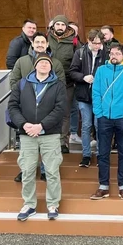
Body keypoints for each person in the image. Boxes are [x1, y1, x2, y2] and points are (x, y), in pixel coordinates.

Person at [7, 54, 66, 221]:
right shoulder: (22, 84)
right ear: (35, 66)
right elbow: (13, 106)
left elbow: (60, 108)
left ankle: (53, 203)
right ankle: (29, 204)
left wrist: (41, 126)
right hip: (27, 134)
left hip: (50, 134)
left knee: (52, 170)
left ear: (51, 66)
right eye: (41, 63)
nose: (44, 65)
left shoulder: (58, 85)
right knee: (27, 170)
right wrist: (23, 124)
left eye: (47, 63)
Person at [9, 33, 66, 183]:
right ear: (32, 44)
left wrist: (41, 125)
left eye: (43, 42)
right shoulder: (22, 61)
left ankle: (45, 170)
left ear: (47, 44)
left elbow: (60, 94)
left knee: (50, 159)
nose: (40, 44)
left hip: (48, 124)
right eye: (37, 42)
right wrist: (24, 123)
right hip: (27, 120)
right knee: (27, 161)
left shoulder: (56, 63)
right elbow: (14, 81)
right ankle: (26, 173)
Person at [90, 44, 123, 200]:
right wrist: (99, 112)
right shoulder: (101, 70)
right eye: (112, 53)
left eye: (118, 53)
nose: (114, 56)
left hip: (122, 118)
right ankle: (103, 186)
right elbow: (96, 92)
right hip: (104, 117)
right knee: (103, 153)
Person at [68, 29, 106, 168]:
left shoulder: (105, 53)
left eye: (99, 43)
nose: (97, 46)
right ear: (89, 41)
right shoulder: (80, 53)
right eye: (94, 43)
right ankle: (86, 155)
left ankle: (101, 154)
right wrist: (83, 77)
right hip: (83, 95)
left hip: (99, 96)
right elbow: (72, 71)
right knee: (86, 125)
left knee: (99, 125)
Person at [47, 15, 78, 153]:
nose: (60, 27)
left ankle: (62, 142)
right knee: (47, 111)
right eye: (57, 24)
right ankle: (48, 138)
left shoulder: (74, 42)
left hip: (67, 83)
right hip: (47, 82)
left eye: (63, 25)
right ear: (53, 26)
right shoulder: (45, 39)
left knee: (65, 113)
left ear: (67, 27)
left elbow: (78, 62)